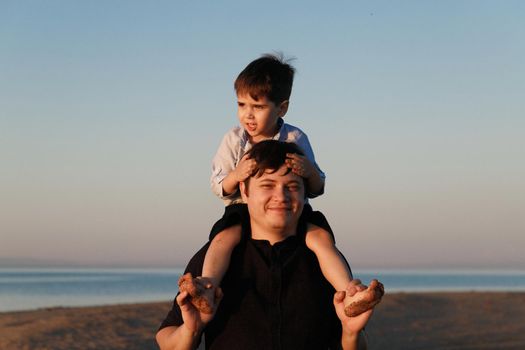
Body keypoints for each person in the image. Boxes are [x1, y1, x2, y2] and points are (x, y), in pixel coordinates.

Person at [157, 140, 382, 350]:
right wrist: (191, 330)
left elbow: (355, 344)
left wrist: (351, 333)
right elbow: (165, 339)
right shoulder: (215, 258)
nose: (281, 196)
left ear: (305, 195)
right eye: (267, 185)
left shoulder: (325, 259)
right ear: (244, 192)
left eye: (292, 186)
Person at [200, 53, 352, 311]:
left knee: (320, 239)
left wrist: (309, 172)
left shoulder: (295, 137)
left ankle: (349, 291)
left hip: (293, 209)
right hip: (244, 208)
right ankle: (207, 287)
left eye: (258, 107)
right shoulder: (233, 140)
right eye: (241, 105)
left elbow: (317, 188)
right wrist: (236, 175)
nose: (248, 115)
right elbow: (218, 186)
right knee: (223, 239)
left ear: (281, 108)